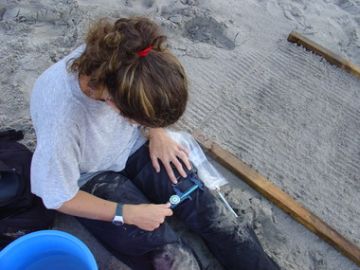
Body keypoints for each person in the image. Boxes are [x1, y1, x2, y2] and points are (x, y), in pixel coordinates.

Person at [30, 16, 280, 270]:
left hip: (133, 148)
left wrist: (158, 133)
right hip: (90, 175)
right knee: (173, 259)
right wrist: (125, 213)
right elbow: (58, 197)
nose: (136, 123)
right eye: (137, 118)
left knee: (219, 220)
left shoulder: (130, 55)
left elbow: (148, 99)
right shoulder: (62, 119)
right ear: (114, 104)